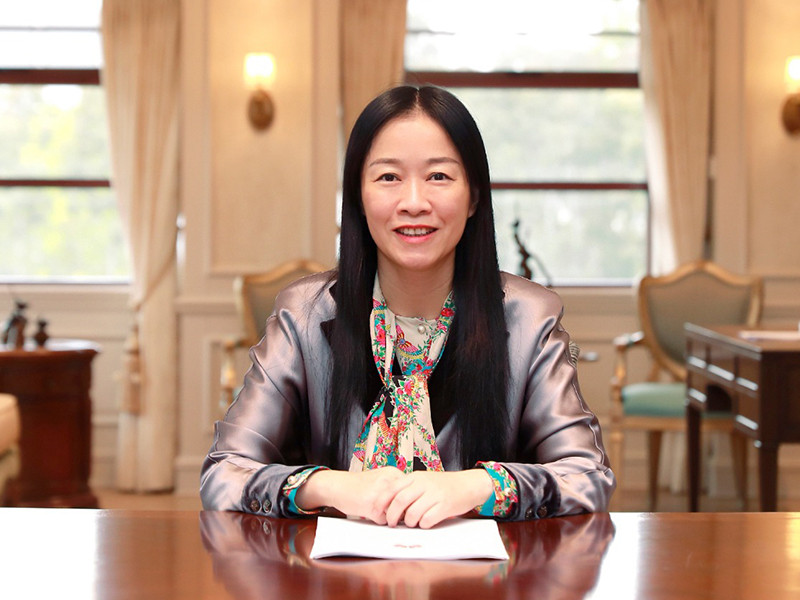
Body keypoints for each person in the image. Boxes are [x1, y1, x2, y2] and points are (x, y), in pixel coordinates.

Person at [200, 85, 615, 528]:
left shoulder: (530, 318)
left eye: (438, 177)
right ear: (358, 197)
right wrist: (328, 486)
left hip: (488, 567)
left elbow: (587, 475)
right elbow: (224, 472)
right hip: (330, 566)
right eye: (388, 178)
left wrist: (480, 486)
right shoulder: (303, 314)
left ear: (474, 196)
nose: (414, 203)